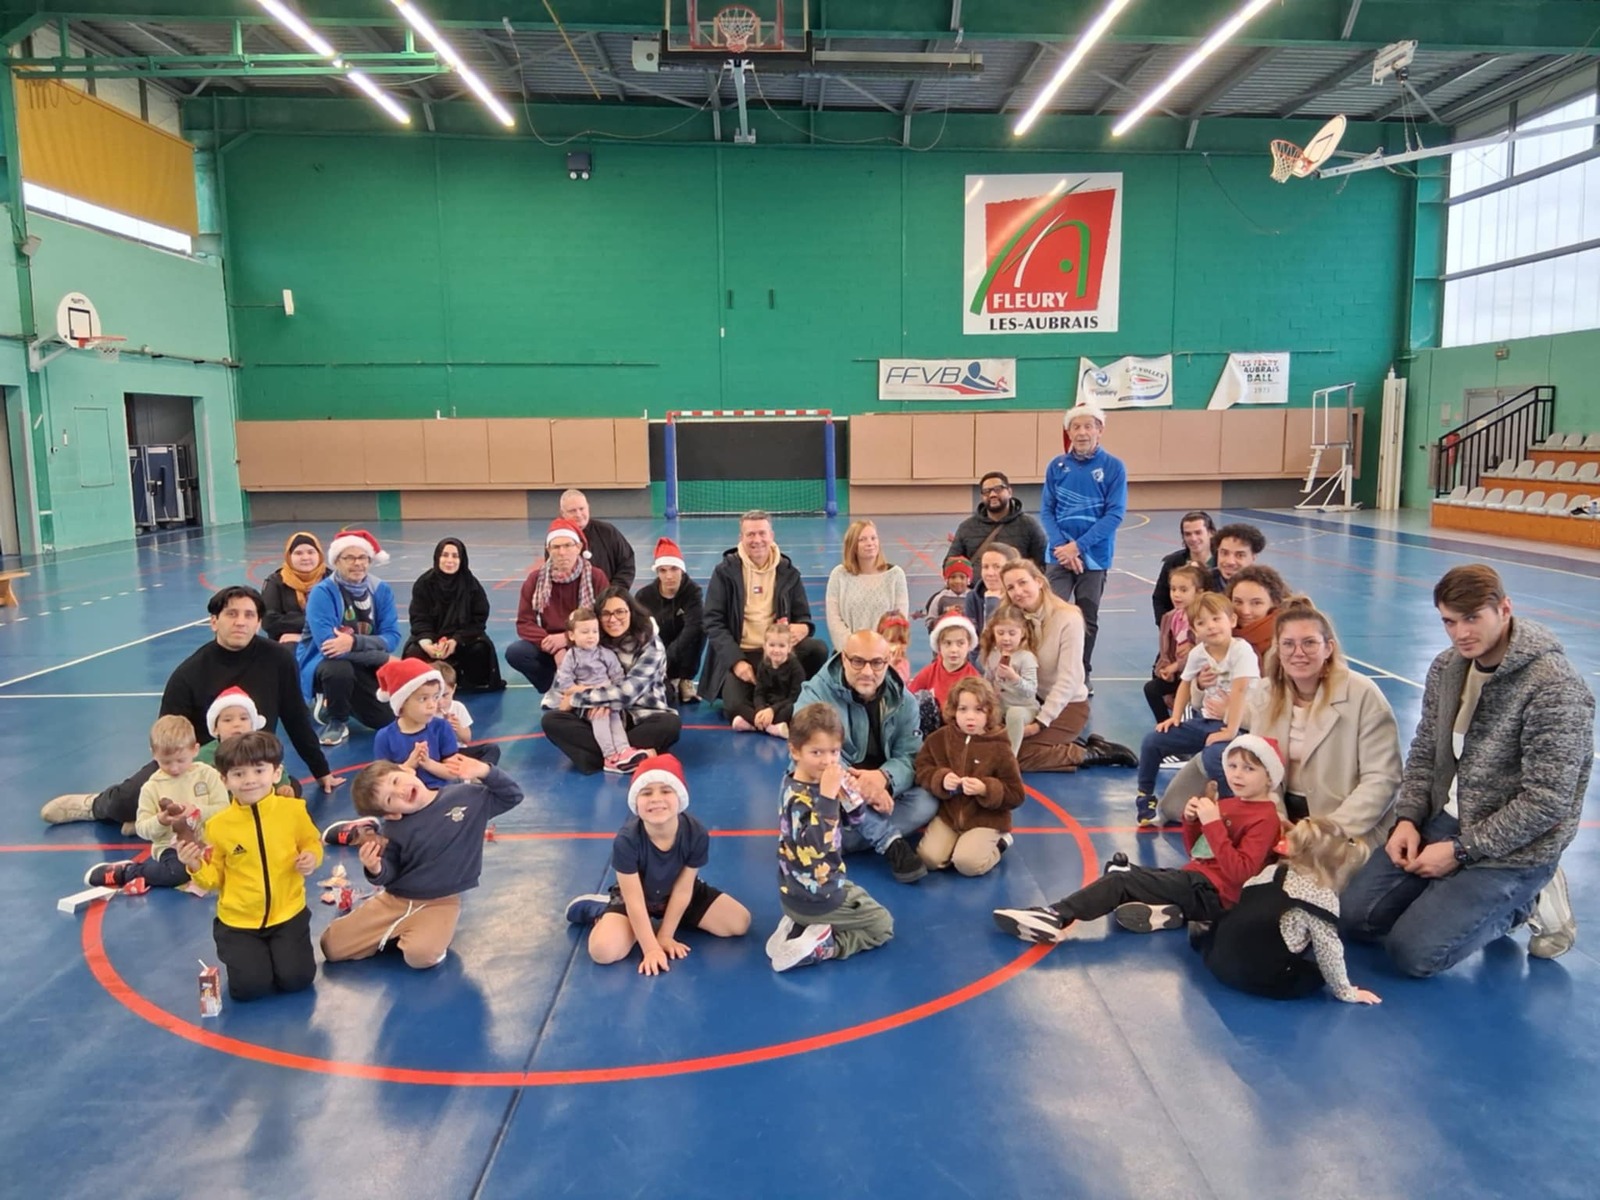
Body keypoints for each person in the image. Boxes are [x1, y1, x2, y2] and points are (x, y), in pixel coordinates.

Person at [1340, 565, 1592, 975]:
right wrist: (1406, 820)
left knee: (1414, 954)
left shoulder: (1554, 687)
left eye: (1472, 618)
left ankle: (1529, 899)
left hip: (1515, 849)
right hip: (1447, 820)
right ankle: (1457, 896)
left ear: (1504, 609)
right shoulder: (1448, 668)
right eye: (1449, 622)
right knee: (1356, 918)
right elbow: (1425, 751)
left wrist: (1461, 851)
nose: (1461, 633)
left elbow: (1548, 801)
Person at [40, 585, 340, 830]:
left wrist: (321, 770)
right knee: (136, 797)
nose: (241, 621)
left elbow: (296, 717)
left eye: (249, 615)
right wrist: (174, 775)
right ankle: (96, 805)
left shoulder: (278, 659)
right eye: (232, 613)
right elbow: (169, 734)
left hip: (252, 759)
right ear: (214, 621)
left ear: (258, 623)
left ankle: (153, 823)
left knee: (286, 794)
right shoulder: (190, 672)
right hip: (197, 763)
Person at [993, 734, 1283, 944]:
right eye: (1232, 766)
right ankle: (1164, 911)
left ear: (1269, 778)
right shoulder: (1232, 803)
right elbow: (1199, 852)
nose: (1237, 775)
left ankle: (1055, 915)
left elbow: (1240, 874)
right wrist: (1192, 822)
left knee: (1121, 881)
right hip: (1197, 879)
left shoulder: (1265, 818)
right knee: (1131, 873)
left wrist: (1214, 824)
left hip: (1216, 896)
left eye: (1249, 769)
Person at [1161, 601, 1403, 842]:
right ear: (1278, 649)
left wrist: (1328, 831)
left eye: (1309, 643)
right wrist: (1275, 822)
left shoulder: (1363, 695)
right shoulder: (1265, 694)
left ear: (1328, 648)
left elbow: (1383, 779)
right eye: (1288, 644)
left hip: (1345, 829)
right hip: (1283, 821)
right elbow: (1263, 770)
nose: (1298, 653)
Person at [320, 751, 523, 971]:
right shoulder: (395, 829)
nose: (401, 791)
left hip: (441, 901)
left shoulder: (466, 797)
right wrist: (375, 867)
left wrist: (484, 771)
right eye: (390, 799)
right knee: (330, 946)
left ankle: (416, 933)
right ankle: (400, 931)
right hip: (395, 899)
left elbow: (512, 796)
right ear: (391, 814)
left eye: (396, 780)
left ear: (407, 770)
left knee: (420, 957)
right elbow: (391, 871)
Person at [564, 754, 751, 973]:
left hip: (676, 893)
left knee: (739, 922)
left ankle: (669, 917)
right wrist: (651, 948)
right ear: (636, 801)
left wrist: (665, 935)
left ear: (680, 796)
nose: (656, 798)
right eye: (646, 792)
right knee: (603, 951)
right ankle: (600, 911)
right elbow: (634, 900)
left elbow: (683, 889)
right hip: (636, 897)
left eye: (665, 790)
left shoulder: (696, 833)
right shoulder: (627, 840)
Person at [176, 732, 321, 1002]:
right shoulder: (218, 826)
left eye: (259, 770)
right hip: (238, 922)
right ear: (224, 780)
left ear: (276, 773)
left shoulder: (294, 810)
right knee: (250, 989)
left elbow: (312, 843)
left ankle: (279, 954)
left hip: (288, 914)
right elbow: (213, 880)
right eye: (239, 774)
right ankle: (247, 955)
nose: (250, 780)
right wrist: (194, 863)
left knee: (297, 980)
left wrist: (311, 857)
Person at [794, 629, 938, 870]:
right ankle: (885, 838)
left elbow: (911, 756)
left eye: (877, 663)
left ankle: (836, 838)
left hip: (881, 787)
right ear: (843, 659)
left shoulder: (905, 701)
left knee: (927, 801)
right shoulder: (816, 694)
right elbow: (814, 756)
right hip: (835, 787)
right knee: (808, 781)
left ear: (888, 662)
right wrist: (858, 787)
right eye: (858, 662)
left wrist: (885, 778)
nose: (868, 672)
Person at [1197, 816, 1381, 1004]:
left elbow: (1247, 897)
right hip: (1257, 977)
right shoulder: (1322, 898)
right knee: (1314, 975)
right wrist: (1346, 991)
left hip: (1217, 959)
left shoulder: (1271, 871)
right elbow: (1328, 950)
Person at [768, 703, 896, 972]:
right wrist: (827, 797)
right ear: (795, 751)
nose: (827, 761)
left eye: (834, 752)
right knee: (882, 925)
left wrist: (850, 797)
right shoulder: (798, 797)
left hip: (803, 889)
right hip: (818, 896)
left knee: (854, 891)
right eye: (817, 752)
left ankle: (797, 927)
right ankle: (825, 947)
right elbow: (816, 845)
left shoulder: (800, 781)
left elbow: (857, 820)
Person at [1133, 591, 1258, 827]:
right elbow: (1185, 684)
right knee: (1153, 740)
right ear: (1194, 630)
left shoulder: (1241, 651)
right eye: (1201, 622)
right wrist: (1176, 717)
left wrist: (1230, 731)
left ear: (1231, 621)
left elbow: (1240, 692)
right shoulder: (1199, 653)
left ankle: (1231, 813)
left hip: (1240, 727)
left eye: (1216, 619)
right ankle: (1145, 797)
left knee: (1215, 757)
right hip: (1207, 723)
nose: (1210, 626)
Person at [997, 559, 1134, 773]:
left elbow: (1068, 680)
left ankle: (1092, 753)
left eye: (1023, 582)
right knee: (996, 748)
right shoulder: (1013, 619)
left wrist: (1041, 723)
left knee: (1017, 756)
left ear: (1039, 581)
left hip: (1067, 704)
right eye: (1011, 587)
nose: (1018, 592)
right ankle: (1069, 743)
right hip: (1029, 700)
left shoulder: (1068, 617)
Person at [540, 587, 682, 774]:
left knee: (669, 725)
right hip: (596, 717)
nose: (613, 619)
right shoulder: (591, 641)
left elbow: (626, 694)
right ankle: (628, 756)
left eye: (620, 612)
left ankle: (598, 757)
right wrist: (579, 701)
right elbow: (561, 688)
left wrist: (577, 698)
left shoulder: (650, 643)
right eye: (606, 614)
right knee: (551, 720)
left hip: (637, 715)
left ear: (631, 612)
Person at [700, 510, 828, 715]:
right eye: (750, 534)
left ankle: (786, 696)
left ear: (771, 536)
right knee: (733, 706)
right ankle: (782, 709)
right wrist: (736, 662)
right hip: (744, 653)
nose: (757, 540)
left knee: (818, 649)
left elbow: (803, 616)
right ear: (741, 538)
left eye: (762, 533)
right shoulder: (724, 572)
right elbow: (712, 621)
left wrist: (803, 628)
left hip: (777, 651)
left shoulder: (787, 571)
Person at [83, 716, 227, 891]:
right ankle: (126, 872)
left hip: (212, 842)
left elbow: (224, 810)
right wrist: (161, 820)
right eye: (166, 762)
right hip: (172, 847)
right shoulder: (152, 787)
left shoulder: (208, 775)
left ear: (195, 749)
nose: (174, 768)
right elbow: (143, 828)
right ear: (153, 754)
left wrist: (198, 810)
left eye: (181, 760)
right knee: (177, 873)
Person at [1039, 403, 1127, 682]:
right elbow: (1047, 511)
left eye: (1088, 426)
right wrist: (1063, 548)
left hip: (1095, 558)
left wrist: (1078, 547)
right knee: (1050, 616)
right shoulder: (1057, 466)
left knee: (1086, 618)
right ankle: (1050, 673)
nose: (1082, 432)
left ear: (1100, 430)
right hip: (1058, 556)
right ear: (1069, 431)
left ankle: (1080, 674)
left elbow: (1115, 514)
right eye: (1076, 426)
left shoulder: (1113, 467)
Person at [297, 529, 402, 746]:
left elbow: (392, 637)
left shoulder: (381, 590)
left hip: (363, 659)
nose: (358, 563)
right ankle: (337, 720)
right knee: (340, 670)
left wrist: (354, 642)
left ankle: (343, 700)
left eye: (363, 557)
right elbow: (330, 649)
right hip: (324, 663)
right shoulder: (322, 593)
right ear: (336, 561)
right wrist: (381, 656)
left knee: (385, 720)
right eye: (350, 558)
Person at [913, 678, 1025, 877]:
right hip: (948, 816)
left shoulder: (1000, 747)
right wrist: (940, 778)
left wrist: (986, 789)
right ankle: (959, 847)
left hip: (985, 819)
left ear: (989, 712)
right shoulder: (939, 739)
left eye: (979, 710)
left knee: (967, 865)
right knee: (928, 859)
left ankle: (1000, 844)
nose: (969, 717)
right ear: (954, 710)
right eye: (963, 709)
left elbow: (1016, 794)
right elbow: (921, 768)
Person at [506, 518, 610, 694]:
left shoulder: (595, 577)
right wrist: (555, 646)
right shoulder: (535, 580)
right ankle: (553, 686)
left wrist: (568, 639)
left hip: (586, 640)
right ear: (548, 550)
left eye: (568, 545)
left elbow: (605, 617)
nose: (562, 552)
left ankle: (590, 681)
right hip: (549, 644)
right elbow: (525, 623)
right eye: (556, 547)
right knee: (516, 652)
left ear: (579, 547)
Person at [546, 606, 644, 774]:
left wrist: (608, 695)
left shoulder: (606, 654)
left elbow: (618, 678)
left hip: (608, 698)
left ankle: (624, 750)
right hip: (586, 702)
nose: (591, 636)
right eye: (584, 632)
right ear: (572, 635)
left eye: (594, 631)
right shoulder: (571, 657)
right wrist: (591, 691)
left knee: (615, 719)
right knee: (601, 718)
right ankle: (610, 755)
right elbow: (566, 686)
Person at [403, 537, 505, 694]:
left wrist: (456, 641)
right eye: (445, 555)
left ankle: (466, 682)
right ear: (437, 557)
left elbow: (478, 620)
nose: (449, 560)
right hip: (432, 637)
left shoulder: (471, 585)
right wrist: (427, 643)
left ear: (462, 559)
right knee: (414, 653)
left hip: (463, 638)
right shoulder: (424, 584)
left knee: (479, 649)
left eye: (455, 556)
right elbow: (419, 618)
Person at [635, 536, 704, 705]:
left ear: (682, 570)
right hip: (657, 648)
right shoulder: (644, 596)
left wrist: (668, 656)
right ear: (657, 572)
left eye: (674, 569)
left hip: (678, 649)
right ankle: (667, 678)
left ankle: (685, 678)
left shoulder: (692, 592)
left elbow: (693, 627)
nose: (669, 576)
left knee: (701, 628)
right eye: (663, 570)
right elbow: (639, 632)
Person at [371, 658, 459, 790]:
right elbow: (384, 783)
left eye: (435, 697)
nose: (432, 705)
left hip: (442, 794)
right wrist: (409, 765)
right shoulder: (384, 737)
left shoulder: (442, 727)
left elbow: (453, 772)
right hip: (406, 799)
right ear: (402, 704)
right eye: (423, 699)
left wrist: (428, 763)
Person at [196, 687, 298, 797]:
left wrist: (282, 786)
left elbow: (275, 766)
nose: (236, 724)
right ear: (215, 728)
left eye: (243, 719)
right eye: (227, 720)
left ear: (252, 725)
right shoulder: (203, 755)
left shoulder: (262, 747)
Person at [824, 519, 910, 650]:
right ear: (852, 546)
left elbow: (899, 620)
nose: (870, 543)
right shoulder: (839, 575)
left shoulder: (896, 575)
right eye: (862, 539)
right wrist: (854, 647)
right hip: (849, 652)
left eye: (873, 538)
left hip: (884, 654)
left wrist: (878, 649)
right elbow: (834, 619)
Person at [946, 471, 1048, 570]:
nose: (992, 494)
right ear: (982, 496)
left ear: (1009, 492)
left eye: (998, 489)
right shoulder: (967, 527)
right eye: (986, 491)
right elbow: (950, 564)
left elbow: (1042, 564)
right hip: (977, 587)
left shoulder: (1028, 525)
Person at [725, 619, 806, 740]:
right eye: (772, 645)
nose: (776, 650)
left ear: (789, 648)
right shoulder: (763, 665)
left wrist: (772, 710)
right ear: (765, 646)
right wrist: (760, 710)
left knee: (795, 711)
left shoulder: (796, 668)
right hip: (767, 706)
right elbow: (759, 692)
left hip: (783, 706)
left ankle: (752, 724)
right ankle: (770, 727)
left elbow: (794, 698)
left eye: (782, 646)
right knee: (736, 706)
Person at [1145, 564, 1206, 722]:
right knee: (1152, 689)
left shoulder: (1202, 619)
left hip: (1197, 676)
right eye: (1173, 589)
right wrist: (1165, 667)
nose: (1176, 595)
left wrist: (1176, 666)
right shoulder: (1170, 617)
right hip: (1178, 674)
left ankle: (1184, 725)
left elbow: (1202, 652)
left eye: (1183, 590)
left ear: (1198, 592)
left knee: (1188, 701)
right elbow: (1165, 649)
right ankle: (1165, 725)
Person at [978, 604, 1040, 753]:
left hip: (1024, 708)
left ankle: (1010, 756)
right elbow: (987, 680)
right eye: (1000, 633)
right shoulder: (993, 655)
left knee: (1015, 715)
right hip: (1000, 706)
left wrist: (1014, 678)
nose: (1006, 638)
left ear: (1023, 633)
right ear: (993, 632)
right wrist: (989, 692)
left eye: (1012, 633)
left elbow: (1031, 691)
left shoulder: (1026, 658)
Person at [909, 613, 982, 722]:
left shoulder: (973, 678)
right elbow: (909, 698)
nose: (954, 649)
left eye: (960, 643)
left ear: (969, 645)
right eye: (947, 643)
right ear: (939, 646)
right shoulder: (929, 672)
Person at [559, 488, 636, 589]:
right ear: (562, 513)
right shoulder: (558, 538)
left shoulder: (608, 532)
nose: (578, 514)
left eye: (582, 509)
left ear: (588, 507)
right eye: (572, 511)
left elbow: (627, 564)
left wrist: (613, 593)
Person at [261, 531, 326, 644]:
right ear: (289, 556)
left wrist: (303, 634)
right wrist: (319, 621)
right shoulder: (276, 582)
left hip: (326, 640)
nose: (305, 557)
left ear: (319, 554)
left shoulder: (331, 579)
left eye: (311, 552)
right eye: (298, 553)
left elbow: (342, 618)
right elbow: (269, 620)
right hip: (286, 643)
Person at [1152, 512, 1215, 626]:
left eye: (1198, 532)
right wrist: (1166, 626)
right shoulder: (1173, 563)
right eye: (1188, 534)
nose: (1193, 538)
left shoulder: (1221, 564)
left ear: (1210, 533)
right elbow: (1160, 599)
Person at [435, 661, 501, 767]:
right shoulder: (426, 711)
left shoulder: (458, 707)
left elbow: (467, 739)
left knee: (491, 749)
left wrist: (458, 728)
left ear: (453, 689)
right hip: (436, 754)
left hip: (458, 751)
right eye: (435, 696)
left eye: (445, 695)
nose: (440, 702)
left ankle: (480, 775)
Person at [1226, 565, 1293, 666]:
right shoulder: (1219, 635)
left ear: (1275, 603)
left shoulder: (1286, 643)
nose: (1245, 611)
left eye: (1256, 603)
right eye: (1238, 602)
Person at [964, 543, 1021, 642]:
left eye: (997, 567)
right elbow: (973, 641)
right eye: (985, 567)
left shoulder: (1020, 598)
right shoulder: (973, 598)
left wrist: (992, 604)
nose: (990, 573)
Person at [923, 558, 972, 632]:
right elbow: (930, 623)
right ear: (947, 580)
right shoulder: (940, 598)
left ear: (968, 580)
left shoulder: (974, 598)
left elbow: (982, 623)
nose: (957, 581)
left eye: (962, 577)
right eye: (953, 577)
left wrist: (964, 616)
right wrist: (946, 615)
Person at [877, 610, 913, 684]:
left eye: (902, 642)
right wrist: (890, 667)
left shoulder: (904, 663)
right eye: (892, 642)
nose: (898, 646)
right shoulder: (875, 663)